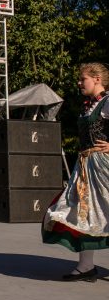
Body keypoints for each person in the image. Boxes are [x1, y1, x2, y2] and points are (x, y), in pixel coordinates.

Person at [43, 62, 109, 282]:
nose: (79, 83)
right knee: (84, 213)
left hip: (104, 166)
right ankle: (86, 266)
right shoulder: (89, 106)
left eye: (83, 79)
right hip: (86, 166)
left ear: (97, 79)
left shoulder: (107, 102)